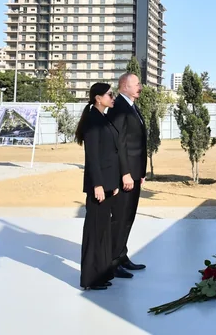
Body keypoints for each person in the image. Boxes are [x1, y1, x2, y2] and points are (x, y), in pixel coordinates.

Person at [76, 82, 121, 290]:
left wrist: (114, 183)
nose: (113, 97)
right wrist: (98, 185)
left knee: (103, 231)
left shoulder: (103, 117)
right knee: (94, 232)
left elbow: (111, 152)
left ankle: (101, 274)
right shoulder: (93, 120)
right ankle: (90, 279)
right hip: (99, 185)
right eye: (109, 94)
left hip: (109, 183)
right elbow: (92, 156)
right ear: (98, 98)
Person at [107, 72, 148, 279]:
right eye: (136, 84)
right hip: (125, 175)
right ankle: (112, 263)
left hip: (134, 174)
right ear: (124, 86)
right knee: (120, 218)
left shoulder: (131, 105)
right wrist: (125, 173)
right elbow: (119, 145)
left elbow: (138, 143)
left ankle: (122, 256)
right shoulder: (119, 108)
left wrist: (140, 172)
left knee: (128, 217)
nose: (140, 86)